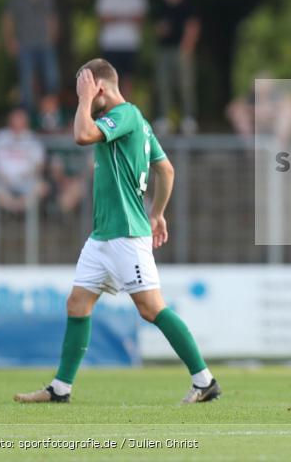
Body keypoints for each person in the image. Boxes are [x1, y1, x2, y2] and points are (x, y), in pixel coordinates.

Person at [14, 59, 220, 404]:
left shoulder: (124, 115)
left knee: (151, 308)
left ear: (100, 88)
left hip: (125, 234)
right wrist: (158, 214)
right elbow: (166, 170)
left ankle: (205, 381)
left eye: (86, 88)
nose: (82, 97)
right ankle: (60, 389)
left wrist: (83, 100)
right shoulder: (133, 121)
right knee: (78, 304)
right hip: (103, 235)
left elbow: (82, 135)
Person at [2, 0, 61, 125]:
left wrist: (52, 38)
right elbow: (8, 19)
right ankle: (27, 119)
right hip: (25, 46)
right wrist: (10, 40)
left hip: (45, 44)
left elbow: (53, 18)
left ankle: (49, 116)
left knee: (51, 79)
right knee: (26, 83)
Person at [154, 0, 201, 136]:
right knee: (163, 84)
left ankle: (189, 118)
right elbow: (157, 29)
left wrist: (186, 48)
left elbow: (193, 27)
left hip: (181, 49)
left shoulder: (187, 5)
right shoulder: (162, 7)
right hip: (164, 50)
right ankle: (165, 118)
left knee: (185, 84)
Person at [95, 0, 148, 98]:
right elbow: (103, 19)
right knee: (108, 79)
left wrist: (116, 17)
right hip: (110, 44)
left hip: (130, 43)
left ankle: (124, 109)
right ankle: (110, 110)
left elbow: (140, 18)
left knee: (128, 78)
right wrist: (127, 17)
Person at [0, 107, 48, 213]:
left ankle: (16, 208)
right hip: (2, 180)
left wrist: (29, 176)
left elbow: (40, 164)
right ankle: (15, 208)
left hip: (27, 180)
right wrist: (1, 175)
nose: (17, 122)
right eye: (15, 119)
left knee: (42, 187)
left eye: (20, 119)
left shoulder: (33, 139)